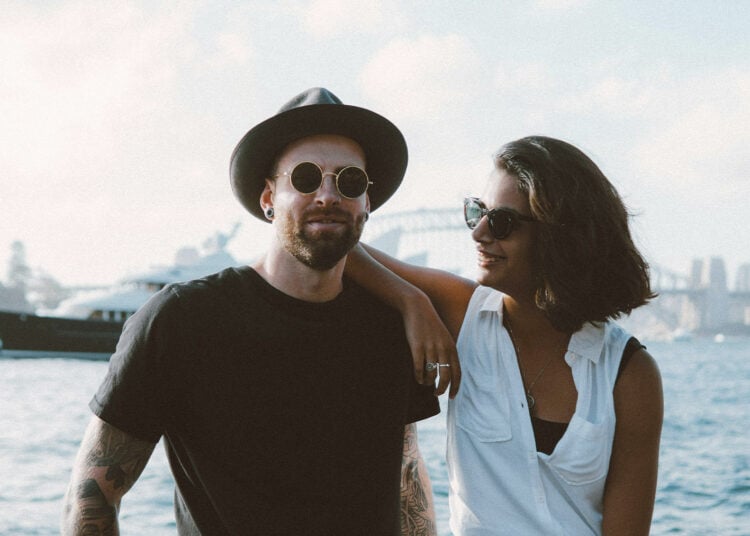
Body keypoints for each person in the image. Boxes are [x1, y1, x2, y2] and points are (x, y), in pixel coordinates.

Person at [61, 87, 445, 536]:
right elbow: (91, 500)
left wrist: (412, 300)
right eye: (304, 178)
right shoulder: (182, 320)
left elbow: (406, 480)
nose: (327, 195)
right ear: (268, 198)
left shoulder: (389, 326)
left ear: (367, 204)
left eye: (350, 181)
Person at [346, 135, 664, 535]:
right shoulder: (463, 314)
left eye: (501, 222)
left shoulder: (629, 374)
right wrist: (412, 301)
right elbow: (342, 245)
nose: (479, 232)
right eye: (476, 212)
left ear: (560, 236)